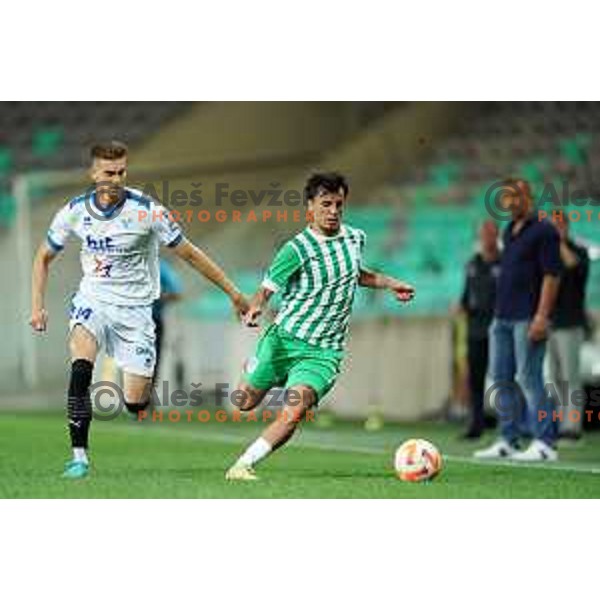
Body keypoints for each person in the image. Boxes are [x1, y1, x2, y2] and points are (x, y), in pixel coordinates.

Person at [29, 140, 248, 479]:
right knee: (81, 372)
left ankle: (137, 403)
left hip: (136, 313)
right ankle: (79, 458)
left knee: (135, 401)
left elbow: (189, 253)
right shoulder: (74, 211)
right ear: (93, 172)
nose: (115, 179)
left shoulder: (148, 211)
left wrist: (233, 293)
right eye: (108, 172)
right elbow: (43, 256)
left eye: (121, 172)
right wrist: (37, 306)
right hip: (93, 302)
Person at [225, 172, 416, 481]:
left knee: (293, 413)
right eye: (326, 204)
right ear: (310, 208)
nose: (333, 211)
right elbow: (266, 290)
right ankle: (258, 367)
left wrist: (391, 283)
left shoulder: (355, 238)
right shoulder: (296, 249)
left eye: (339, 204)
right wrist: (254, 310)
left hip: (323, 352)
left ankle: (243, 465)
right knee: (243, 402)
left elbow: (356, 273)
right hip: (283, 341)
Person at [474, 178, 561, 462]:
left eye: (516, 197)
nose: (510, 203)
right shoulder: (510, 231)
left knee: (530, 377)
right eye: (506, 198)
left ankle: (545, 443)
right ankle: (508, 439)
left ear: (528, 197)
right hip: (502, 318)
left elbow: (552, 275)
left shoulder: (545, 230)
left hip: (528, 317)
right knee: (501, 379)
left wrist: (541, 316)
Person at [547, 211, 589, 442]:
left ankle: (573, 426)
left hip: (570, 322)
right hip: (552, 323)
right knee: (555, 378)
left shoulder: (578, 251)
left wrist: (560, 242)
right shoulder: (548, 255)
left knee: (571, 376)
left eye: (559, 225)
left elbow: (573, 266)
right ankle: (561, 422)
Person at [458, 220, 501, 439]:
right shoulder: (472, 264)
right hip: (475, 331)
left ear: (497, 236)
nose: (487, 237)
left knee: (505, 378)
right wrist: (460, 306)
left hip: (500, 330)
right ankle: (476, 424)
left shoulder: (505, 263)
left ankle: (510, 425)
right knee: (475, 379)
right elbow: (466, 296)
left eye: (491, 233)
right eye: (484, 233)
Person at [152, 259, 184, 385]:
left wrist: (153, 295)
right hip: (128, 321)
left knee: (152, 363)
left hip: (152, 321)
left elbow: (177, 293)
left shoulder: (160, 267)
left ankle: (148, 398)